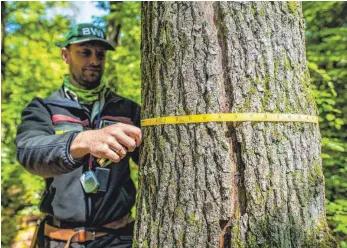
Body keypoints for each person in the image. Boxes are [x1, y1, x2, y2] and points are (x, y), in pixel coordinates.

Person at [15, 23, 142, 248]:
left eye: (100, 54)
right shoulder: (44, 108)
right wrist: (81, 141)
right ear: (66, 55)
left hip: (119, 239)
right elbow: (28, 151)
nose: (94, 61)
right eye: (85, 52)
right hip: (61, 239)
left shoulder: (127, 110)